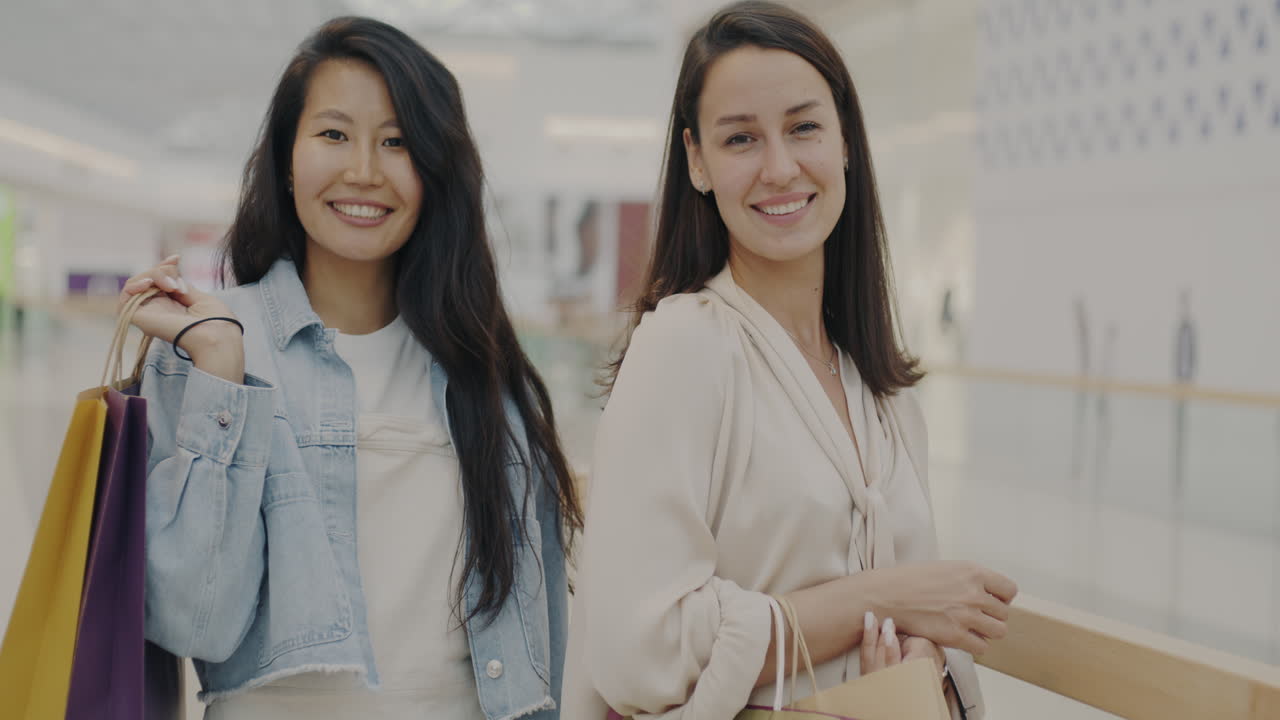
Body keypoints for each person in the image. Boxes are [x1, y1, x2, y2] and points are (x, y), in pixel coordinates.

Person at [117, 17, 581, 719]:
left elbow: (540, 650)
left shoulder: (488, 370)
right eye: (334, 134)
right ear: (286, 157)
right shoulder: (208, 344)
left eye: (397, 142)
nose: (364, 171)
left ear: (436, 169)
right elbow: (190, 620)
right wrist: (219, 367)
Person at [562, 3, 1016, 718]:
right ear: (697, 161)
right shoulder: (685, 346)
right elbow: (638, 648)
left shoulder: (882, 387)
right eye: (741, 138)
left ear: (845, 144)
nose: (779, 168)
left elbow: (924, 622)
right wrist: (881, 599)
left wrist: (922, 658)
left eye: (804, 127)